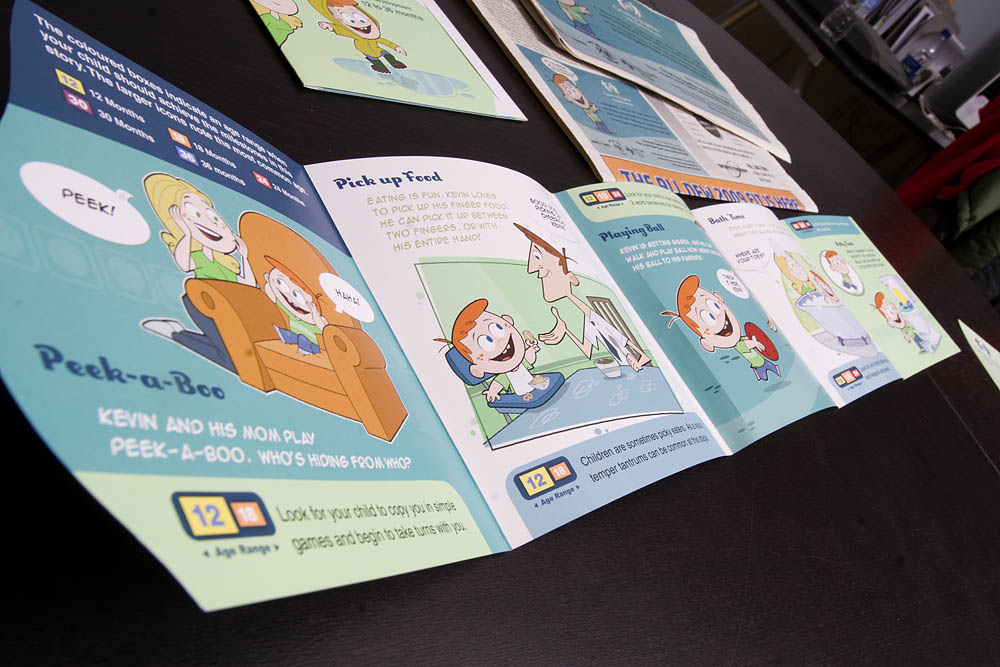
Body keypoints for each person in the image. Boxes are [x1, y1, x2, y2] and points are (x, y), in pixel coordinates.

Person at [140, 173, 254, 373]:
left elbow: (248, 286)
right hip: (203, 305)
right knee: (238, 361)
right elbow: (184, 265)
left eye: (213, 216)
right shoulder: (197, 255)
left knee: (237, 358)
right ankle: (177, 334)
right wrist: (187, 233)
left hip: (231, 311)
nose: (214, 223)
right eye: (196, 214)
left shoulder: (226, 262)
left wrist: (244, 258)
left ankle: (177, 333)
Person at [514, 223, 648, 371]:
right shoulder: (582, 318)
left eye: (538, 256)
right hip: (619, 362)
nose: (532, 269)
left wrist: (636, 357)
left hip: (625, 360)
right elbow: (586, 349)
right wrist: (565, 330)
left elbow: (621, 339)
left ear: (571, 278)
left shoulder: (591, 315)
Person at [663, 275, 780, 381]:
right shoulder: (740, 344)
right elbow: (746, 345)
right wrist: (754, 343)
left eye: (714, 305)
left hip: (758, 361)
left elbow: (746, 343)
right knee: (764, 369)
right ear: (706, 343)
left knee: (766, 369)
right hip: (757, 362)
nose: (718, 317)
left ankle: (769, 371)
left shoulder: (740, 341)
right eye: (708, 318)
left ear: (719, 298)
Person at [437, 299, 544, 403]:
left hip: (538, 387)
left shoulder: (521, 363)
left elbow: (529, 359)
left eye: (498, 328)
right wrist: (492, 392)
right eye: (485, 342)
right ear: (477, 369)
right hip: (523, 396)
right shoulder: (505, 376)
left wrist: (532, 348)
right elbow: (499, 384)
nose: (499, 342)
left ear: (508, 321)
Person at [310, 0, 407, 74]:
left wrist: (396, 47)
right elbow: (341, 30)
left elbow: (386, 42)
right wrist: (330, 26)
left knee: (384, 52)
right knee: (374, 59)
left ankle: (394, 62)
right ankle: (380, 67)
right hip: (365, 49)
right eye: (349, 19)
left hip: (377, 48)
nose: (358, 23)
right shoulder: (353, 33)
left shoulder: (374, 36)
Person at [262, 256, 328, 355]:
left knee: (302, 338)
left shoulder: (312, 321)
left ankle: (305, 351)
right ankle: (284, 336)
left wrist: (314, 313)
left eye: (298, 296)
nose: (289, 296)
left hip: (312, 346)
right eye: (280, 282)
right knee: (290, 334)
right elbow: (272, 297)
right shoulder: (291, 311)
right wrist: (269, 283)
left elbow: (324, 328)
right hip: (295, 338)